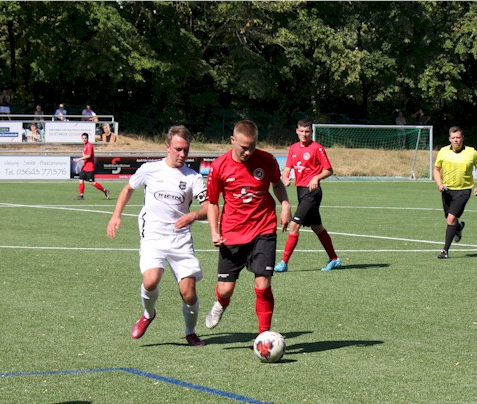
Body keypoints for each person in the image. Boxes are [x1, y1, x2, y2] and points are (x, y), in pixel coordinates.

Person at [107, 125, 209, 347]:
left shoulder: (193, 178)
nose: (182, 155)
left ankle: (190, 332)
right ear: (167, 147)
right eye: (178, 149)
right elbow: (127, 189)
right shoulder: (149, 169)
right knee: (151, 280)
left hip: (180, 239)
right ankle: (148, 314)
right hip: (153, 233)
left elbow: (208, 209)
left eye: (186, 150)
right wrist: (116, 216)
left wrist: (192, 216)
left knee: (189, 294)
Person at [205, 119, 292, 335]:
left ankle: (264, 335)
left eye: (252, 146)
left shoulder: (267, 160)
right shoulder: (219, 167)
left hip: (264, 227)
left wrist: (285, 204)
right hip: (232, 233)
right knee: (225, 290)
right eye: (244, 147)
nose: (248, 152)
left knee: (263, 285)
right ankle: (221, 304)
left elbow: (277, 184)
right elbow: (213, 202)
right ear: (233, 140)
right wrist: (214, 231)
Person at [275, 118, 341, 273]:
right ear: (297, 131)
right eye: (302, 131)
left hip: (312, 192)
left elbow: (329, 170)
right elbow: (287, 168)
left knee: (294, 225)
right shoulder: (293, 148)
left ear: (311, 132)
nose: (304, 134)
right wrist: (285, 177)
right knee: (317, 227)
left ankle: (283, 263)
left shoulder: (317, 148)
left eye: (307, 132)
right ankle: (334, 259)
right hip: (301, 191)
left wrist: (316, 177)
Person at [432, 126, 477, 259]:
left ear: (462, 138)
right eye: (453, 138)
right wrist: (439, 184)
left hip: (463, 190)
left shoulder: (472, 152)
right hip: (447, 191)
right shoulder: (443, 152)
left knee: (450, 219)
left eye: (458, 137)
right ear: (449, 139)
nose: (456, 140)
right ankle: (458, 227)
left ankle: (445, 251)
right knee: (449, 220)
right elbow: (436, 170)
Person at [74, 132, 110, 200]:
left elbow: (89, 156)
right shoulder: (85, 146)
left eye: (85, 138)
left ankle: (105, 190)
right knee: (81, 180)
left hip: (89, 167)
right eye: (83, 138)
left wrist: (79, 159)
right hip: (84, 167)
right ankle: (81, 196)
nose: (84, 139)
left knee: (92, 182)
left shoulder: (89, 145)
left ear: (87, 138)